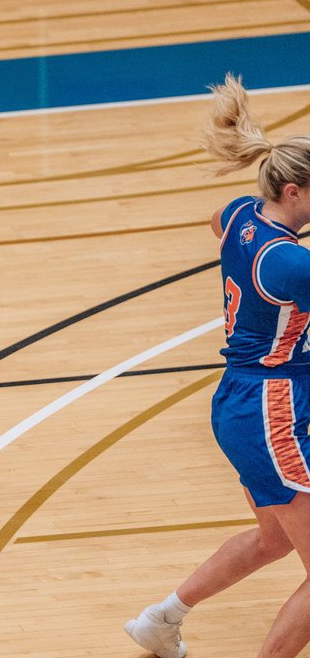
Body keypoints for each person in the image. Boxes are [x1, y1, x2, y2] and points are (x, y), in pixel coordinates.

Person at [125, 75, 310, 658]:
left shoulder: (239, 215)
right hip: (272, 409)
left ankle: (162, 619)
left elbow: (219, 223)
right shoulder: (291, 265)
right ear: (294, 193)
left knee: (273, 540)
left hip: (241, 402)